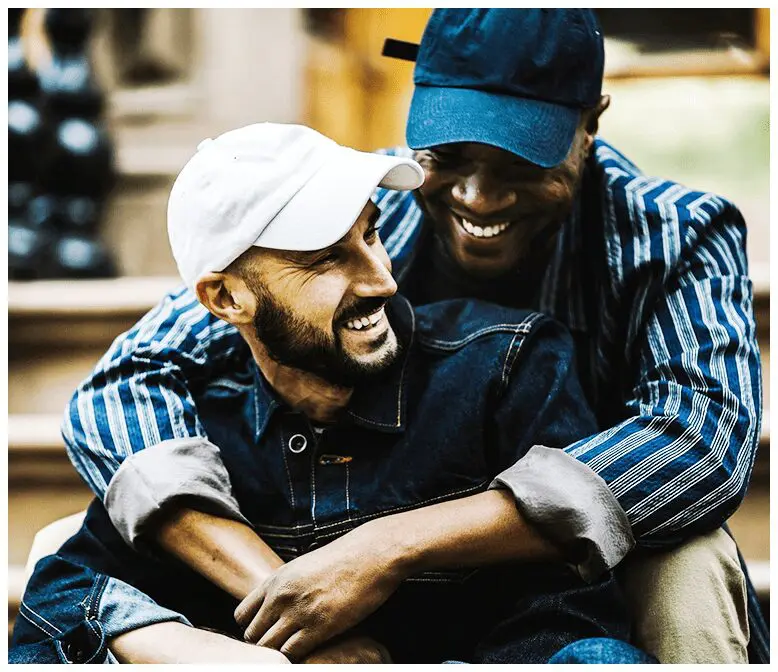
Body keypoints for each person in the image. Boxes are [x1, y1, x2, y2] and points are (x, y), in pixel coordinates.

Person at [59, 9, 765, 664]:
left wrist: (386, 547)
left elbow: (697, 443)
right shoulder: (365, 215)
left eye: (521, 161)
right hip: (385, 555)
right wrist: (289, 597)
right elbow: (127, 381)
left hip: (588, 557)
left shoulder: (674, 236)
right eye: (450, 155)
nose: (477, 197)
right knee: (73, 548)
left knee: (690, 565)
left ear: (592, 123)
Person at [11, 123, 655, 664]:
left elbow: (575, 626)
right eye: (324, 258)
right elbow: (61, 596)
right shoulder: (194, 418)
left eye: (371, 234)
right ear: (226, 297)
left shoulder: (505, 367)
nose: (379, 281)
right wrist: (257, 660)